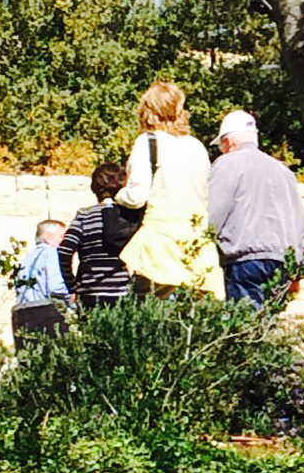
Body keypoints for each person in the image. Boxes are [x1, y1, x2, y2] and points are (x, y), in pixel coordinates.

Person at [115, 80, 220, 297]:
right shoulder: (196, 146)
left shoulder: (148, 142)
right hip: (195, 241)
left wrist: (118, 196)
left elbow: (137, 196)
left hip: (160, 242)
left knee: (152, 311)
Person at [205, 110, 304, 308]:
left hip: (246, 261)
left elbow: (214, 214)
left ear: (227, 141)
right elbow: (299, 222)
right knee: (268, 328)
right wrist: (299, 266)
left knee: (247, 329)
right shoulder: (283, 171)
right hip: (282, 261)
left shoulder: (227, 164)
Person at [57, 161, 134, 310]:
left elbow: (65, 250)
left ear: (94, 188)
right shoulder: (129, 217)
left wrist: (72, 286)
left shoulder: (84, 216)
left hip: (89, 292)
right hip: (123, 291)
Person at [11, 218, 71, 339]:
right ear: (48, 237)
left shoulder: (26, 259)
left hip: (22, 313)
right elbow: (56, 288)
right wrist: (74, 302)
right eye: (62, 236)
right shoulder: (53, 253)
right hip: (45, 313)